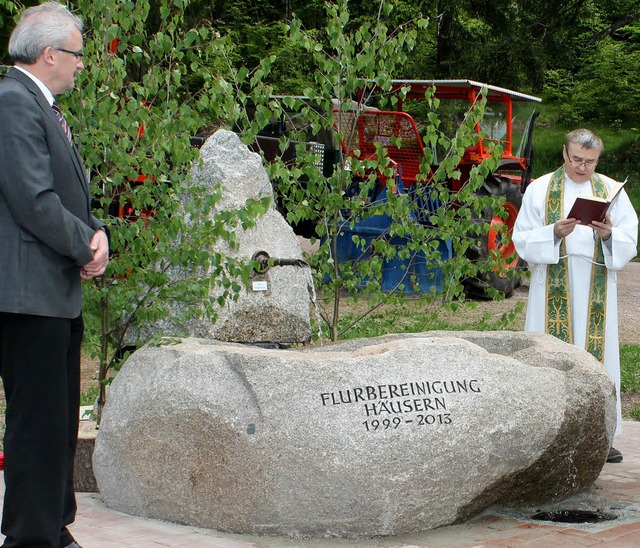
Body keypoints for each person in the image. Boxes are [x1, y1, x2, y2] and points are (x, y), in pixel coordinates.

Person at [0, 3, 109, 547]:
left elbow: (67, 192)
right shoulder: (13, 103)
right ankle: (29, 537)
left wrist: (98, 231)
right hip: (28, 295)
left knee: (57, 422)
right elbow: (34, 200)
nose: (81, 65)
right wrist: (84, 246)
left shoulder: (38, 105)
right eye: (77, 55)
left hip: (54, 293)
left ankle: (51, 529)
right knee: (35, 426)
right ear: (49, 55)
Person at [513, 128, 638, 464]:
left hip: (597, 287)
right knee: (551, 360)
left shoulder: (611, 190)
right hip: (551, 285)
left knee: (599, 360)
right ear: (565, 155)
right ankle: (549, 438)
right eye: (577, 160)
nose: (583, 168)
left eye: (591, 162)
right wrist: (553, 232)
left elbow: (630, 236)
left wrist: (610, 234)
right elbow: (521, 238)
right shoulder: (540, 189)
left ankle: (599, 438)